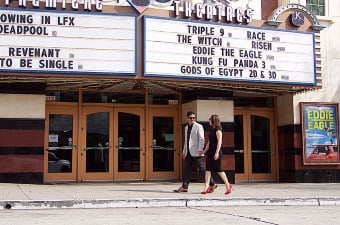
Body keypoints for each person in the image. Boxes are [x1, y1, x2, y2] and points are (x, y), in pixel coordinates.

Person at [174, 111, 217, 193]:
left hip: (197, 152)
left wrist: (201, 150)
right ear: (187, 118)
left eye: (194, 118)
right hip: (188, 152)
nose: (192, 119)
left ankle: (213, 184)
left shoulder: (198, 126)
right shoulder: (186, 127)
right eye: (191, 118)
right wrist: (184, 151)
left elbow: (201, 139)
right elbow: (186, 141)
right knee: (186, 169)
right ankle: (184, 186)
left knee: (202, 169)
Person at [201, 114, 232, 195]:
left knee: (219, 170)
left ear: (213, 120)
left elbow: (219, 142)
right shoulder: (212, 130)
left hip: (216, 152)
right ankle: (206, 187)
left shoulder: (218, 130)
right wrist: (204, 151)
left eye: (209, 119)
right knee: (208, 170)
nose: (208, 121)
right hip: (210, 152)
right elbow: (209, 142)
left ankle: (228, 185)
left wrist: (217, 152)